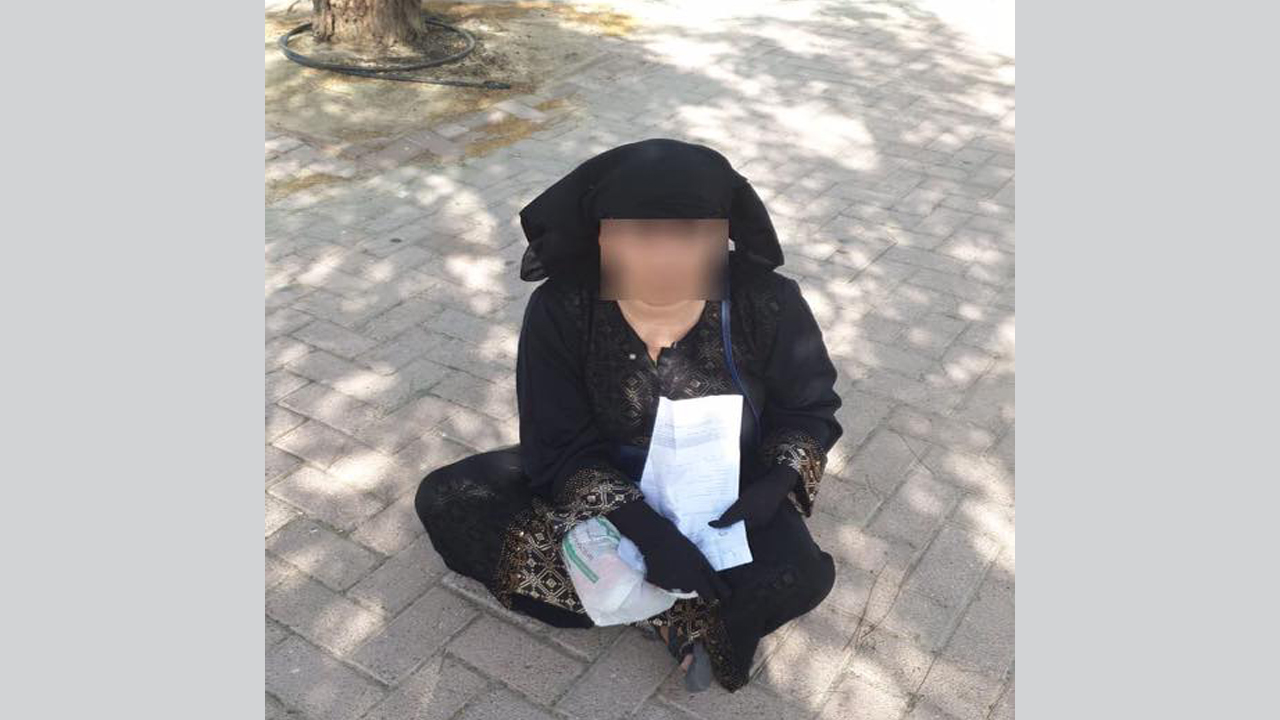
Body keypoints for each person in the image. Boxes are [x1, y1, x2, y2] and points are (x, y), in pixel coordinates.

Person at [414, 138, 843, 692]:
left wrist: (776, 483)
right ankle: (677, 609)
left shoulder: (767, 300)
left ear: (725, 234)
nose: (666, 258)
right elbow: (558, 440)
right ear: (602, 235)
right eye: (639, 233)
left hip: (725, 492)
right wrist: (649, 535)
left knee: (798, 576)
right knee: (450, 497)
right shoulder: (562, 308)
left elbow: (808, 408)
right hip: (600, 481)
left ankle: (669, 603)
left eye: (692, 234)